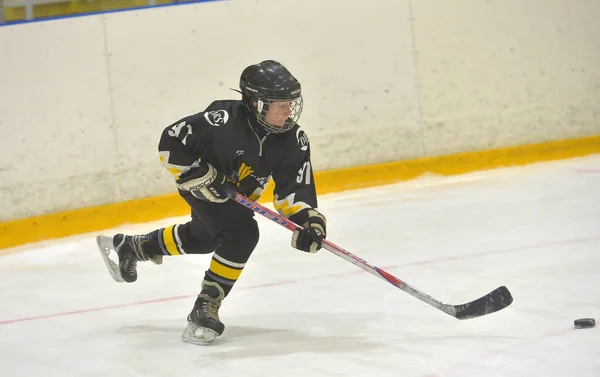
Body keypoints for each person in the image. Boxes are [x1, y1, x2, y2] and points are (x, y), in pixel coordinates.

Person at [96, 60, 327, 345]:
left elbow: (294, 189)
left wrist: (308, 223)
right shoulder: (222, 119)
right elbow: (172, 140)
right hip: (202, 188)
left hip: (237, 198)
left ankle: (136, 246)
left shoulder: (294, 140)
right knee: (242, 233)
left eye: (290, 103)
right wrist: (200, 175)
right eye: (280, 104)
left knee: (206, 238)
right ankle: (204, 307)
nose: (288, 110)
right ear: (256, 104)